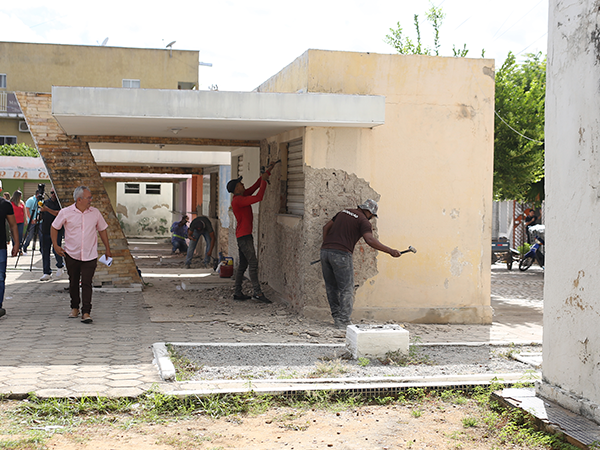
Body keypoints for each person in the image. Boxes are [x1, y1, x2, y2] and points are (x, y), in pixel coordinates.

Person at [321, 199, 402, 329]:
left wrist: (327, 246)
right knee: (346, 288)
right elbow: (369, 240)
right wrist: (390, 251)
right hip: (341, 255)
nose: (371, 219)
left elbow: (325, 227)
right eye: (372, 216)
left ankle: (337, 317)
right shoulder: (363, 221)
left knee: (331, 287)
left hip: (325, 252)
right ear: (369, 212)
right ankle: (343, 321)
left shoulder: (343, 212)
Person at [51, 186, 112, 324]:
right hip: (71, 254)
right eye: (88, 197)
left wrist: (107, 249)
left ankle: (86, 312)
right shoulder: (66, 212)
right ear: (79, 199)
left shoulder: (95, 213)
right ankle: (74, 307)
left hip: (90, 255)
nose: (91, 200)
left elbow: (102, 230)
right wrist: (55, 245)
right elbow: (54, 227)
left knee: (86, 283)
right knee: (73, 282)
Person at [228, 161, 276, 303]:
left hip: (243, 236)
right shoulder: (238, 200)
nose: (243, 185)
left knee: (243, 265)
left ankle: (238, 292)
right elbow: (259, 197)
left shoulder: (241, 196)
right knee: (253, 264)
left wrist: (266, 173)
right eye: (240, 184)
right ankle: (257, 292)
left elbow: (255, 186)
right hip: (244, 237)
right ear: (236, 189)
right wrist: (265, 181)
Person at [1, 181, 20, 318]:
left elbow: (13, 225)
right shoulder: (5, 204)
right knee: (0, 277)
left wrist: (17, 243)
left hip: (1, 247)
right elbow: (13, 225)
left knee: (0, 277)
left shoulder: (5, 204)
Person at [39, 189, 65, 281]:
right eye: (51, 193)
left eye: (55, 192)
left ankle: (60, 265)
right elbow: (41, 214)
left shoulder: (60, 203)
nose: (53, 194)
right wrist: (40, 212)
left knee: (56, 249)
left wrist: (46, 209)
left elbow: (58, 214)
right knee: (45, 251)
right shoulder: (45, 202)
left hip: (57, 230)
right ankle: (46, 272)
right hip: (45, 229)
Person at [22, 190, 41, 255]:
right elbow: (27, 209)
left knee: (41, 235)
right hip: (32, 221)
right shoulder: (31, 200)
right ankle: (25, 247)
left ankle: (42, 249)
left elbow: (42, 209)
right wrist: (31, 219)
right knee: (30, 235)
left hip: (39, 221)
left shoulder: (41, 201)